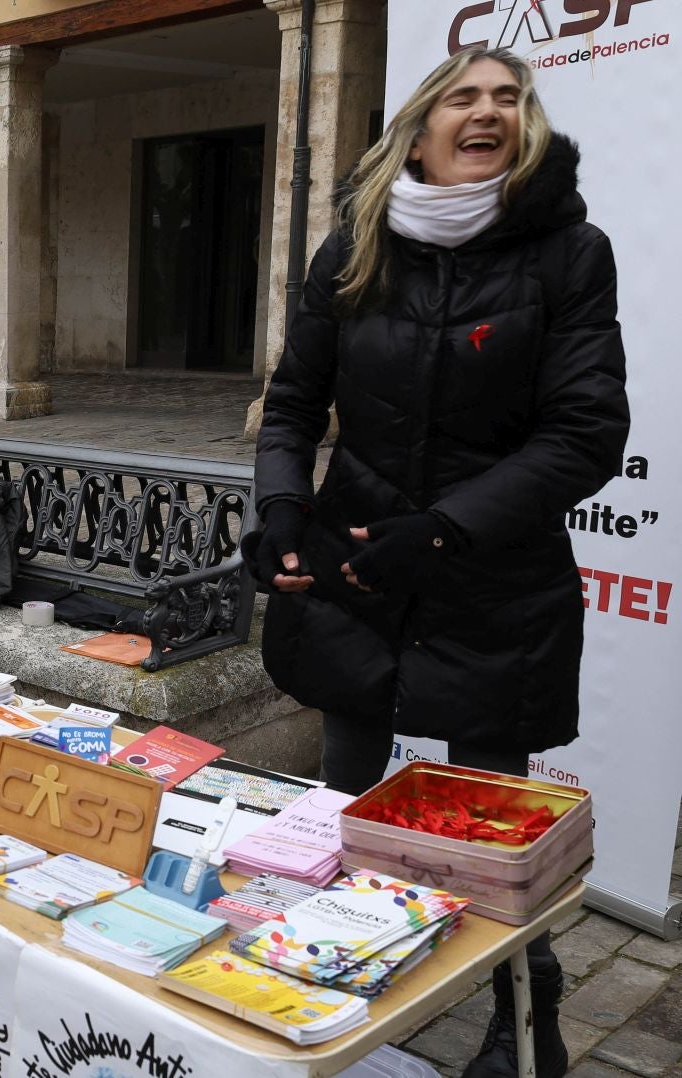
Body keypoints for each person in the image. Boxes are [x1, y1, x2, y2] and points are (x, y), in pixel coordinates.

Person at [250, 48, 628, 1078]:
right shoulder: (353, 246)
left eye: (509, 98)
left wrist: (448, 526)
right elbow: (292, 405)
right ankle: (333, 969)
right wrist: (283, 506)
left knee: (491, 825)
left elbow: (586, 432)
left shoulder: (567, 253)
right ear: (417, 129)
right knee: (344, 796)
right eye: (464, 96)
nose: (490, 112)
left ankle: (522, 1001)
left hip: (495, 579)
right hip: (360, 568)